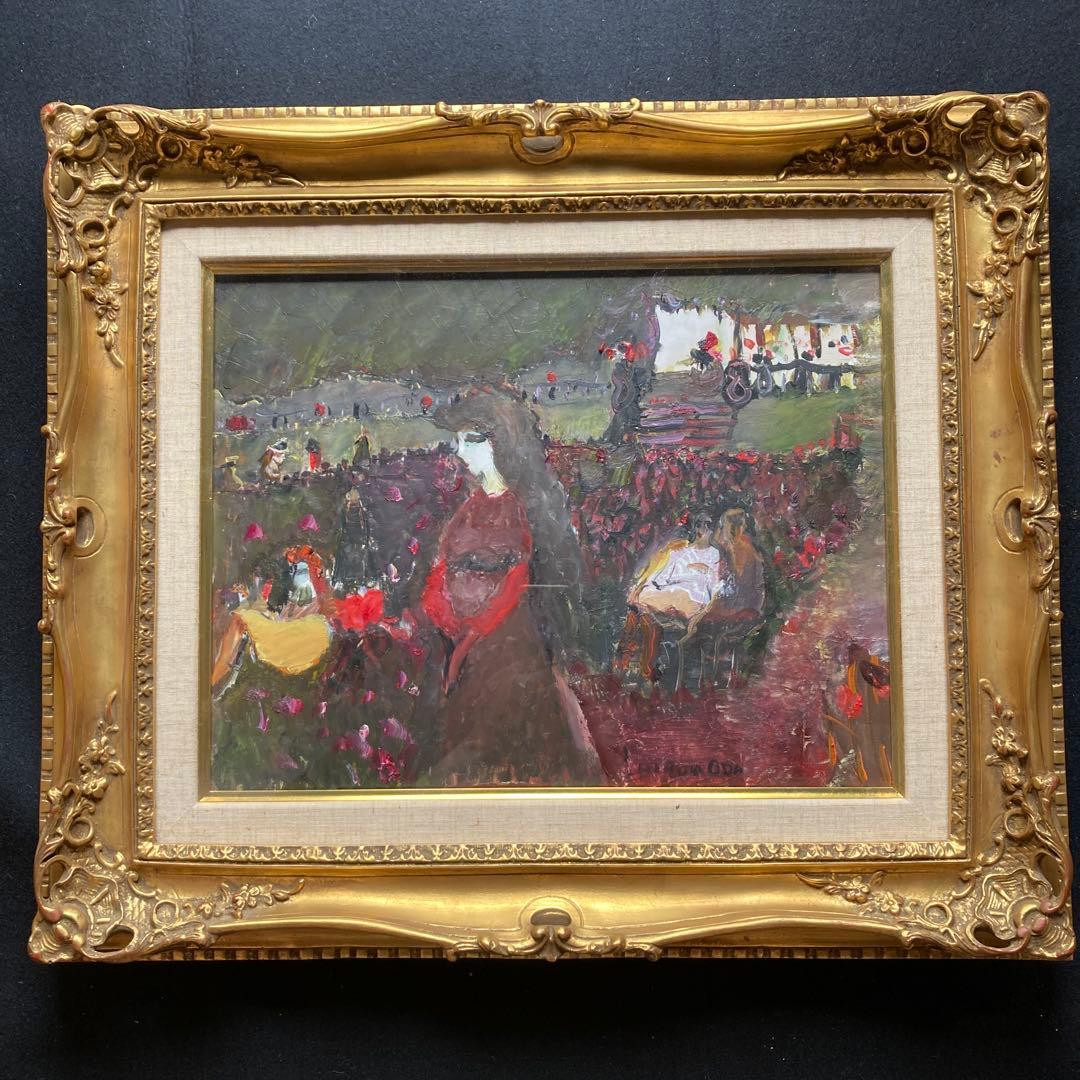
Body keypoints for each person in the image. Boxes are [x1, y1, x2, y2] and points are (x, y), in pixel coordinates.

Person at [418, 390, 600, 786]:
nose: (461, 452)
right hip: (459, 630)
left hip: (505, 638)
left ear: (500, 443)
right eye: (459, 441)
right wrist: (442, 611)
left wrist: (473, 632)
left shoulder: (521, 506)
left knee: (503, 731)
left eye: (471, 440)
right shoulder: (470, 505)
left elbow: (516, 580)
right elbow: (442, 565)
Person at [616, 512, 725, 681]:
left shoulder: (714, 554)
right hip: (670, 592)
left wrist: (704, 571)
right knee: (644, 609)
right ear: (695, 528)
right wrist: (648, 586)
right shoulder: (680, 551)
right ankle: (644, 667)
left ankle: (625, 659)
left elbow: (714, 585)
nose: (705, 530)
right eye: (701, 525)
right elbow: (660, 577)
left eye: (709, 526)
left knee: (641, 608)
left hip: (694, 597)